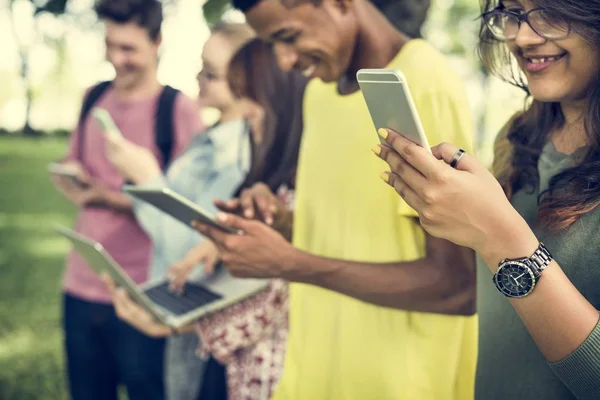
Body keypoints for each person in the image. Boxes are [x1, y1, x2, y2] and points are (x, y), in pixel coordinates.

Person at [194, 0, 477, 399]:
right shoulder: (319, 95)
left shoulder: (423, 83)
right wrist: (280, 223)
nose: (285, 61)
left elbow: (455, 286)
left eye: (287, 37)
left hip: (396, 385)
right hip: (311, 377)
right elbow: (345, 236)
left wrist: (292, 264)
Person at [373, 0, 600, 399]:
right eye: (512, 14)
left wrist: (501, 238)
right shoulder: (517, 136)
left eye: (550, 10)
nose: (522, 36)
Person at [103, 37, 307, 400]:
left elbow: (278, 292)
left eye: (213, 74)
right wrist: (218, 241)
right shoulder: (238, 164)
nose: (248, 117)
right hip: (228, 359)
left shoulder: (249, 163)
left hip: (256, 369)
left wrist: (149, 180)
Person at [50, 0, 202, 399]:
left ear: (157, 42)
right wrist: (74, 179)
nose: (117, 59)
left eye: (129, 48)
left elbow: (189, 208)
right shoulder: (93, 97)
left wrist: (110, 197)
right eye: (110, 44)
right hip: (82, 283)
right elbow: (76, 159)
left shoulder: (178, 110)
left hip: (145, 290)